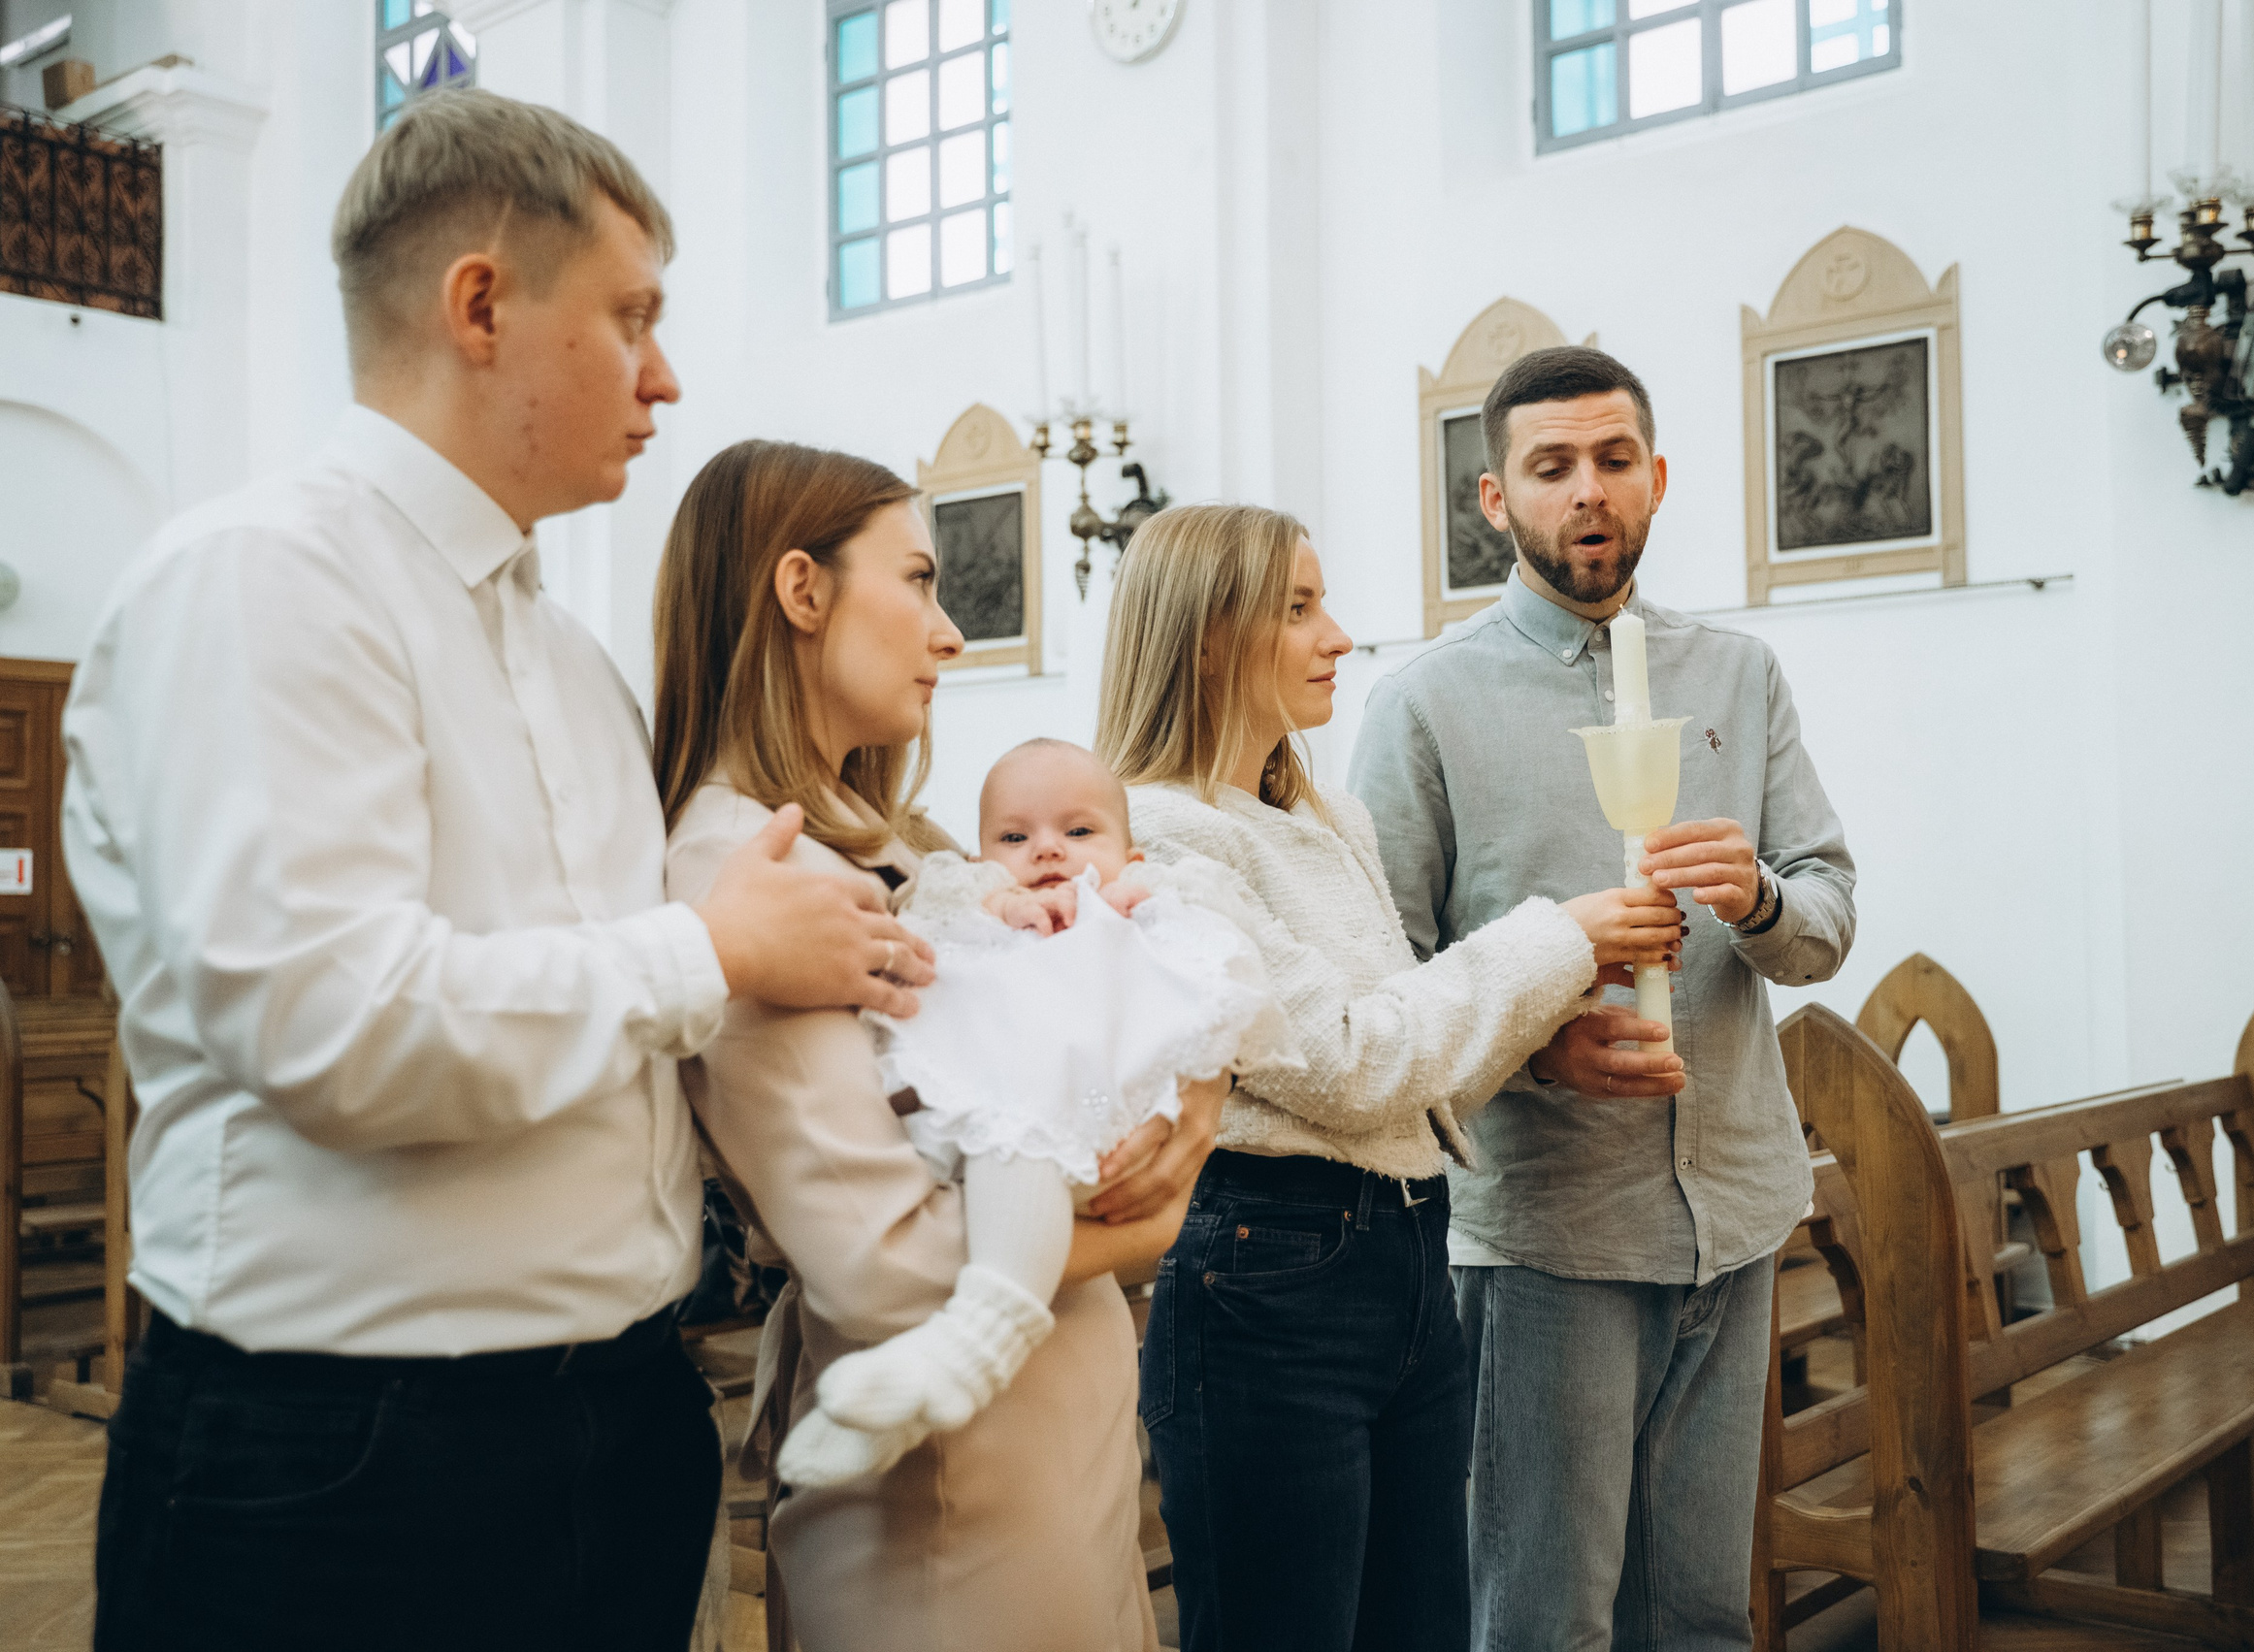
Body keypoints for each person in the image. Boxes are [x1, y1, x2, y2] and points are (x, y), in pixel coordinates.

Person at [62, 91, 932, 1652]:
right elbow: (336, 1026)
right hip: (352, 1455)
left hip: (608, 1412)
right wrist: (712, 955)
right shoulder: (263, 580)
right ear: (481, 303)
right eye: (630, 317)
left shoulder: (568, 656)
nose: (665, 376)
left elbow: (613, 1042)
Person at [655, 439, 1217, 1651]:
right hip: (946, 1506)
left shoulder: (887, 842)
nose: (952, 633)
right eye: (917, 579)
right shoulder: (745, 865)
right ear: (801, 593)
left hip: (1053, 1438)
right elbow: (891, 1264)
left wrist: (1188, 1103)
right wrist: (1159, 1214)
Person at [1094, 502, 1682, 1652]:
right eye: (1300, 608)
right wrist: (1558, 935)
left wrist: (1545, 1035)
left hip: (1405, 1247)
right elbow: (1350, 1058)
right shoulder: (1159, 838)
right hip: (1272, 1273)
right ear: (1209, 636)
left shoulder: (1327, 817)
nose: (1338, 637)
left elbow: (1405, 1055)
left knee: (1421, 1623)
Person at [1350, 345, 1857, 1651]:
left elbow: (1826, 920)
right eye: (1552, 466)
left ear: (1658, 477)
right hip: (1549, 1232)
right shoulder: (1424, 706)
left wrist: (1756, 898)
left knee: (1700, 1610)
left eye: (1614, 459)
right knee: (1544, 1617)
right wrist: (1535, 1054)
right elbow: (1383, 1000)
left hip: (1734, 1204)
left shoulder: (1737, 678)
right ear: (1492, 498)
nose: (1589, 491)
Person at [782, 738, 1293, 1487]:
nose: (1047, 850)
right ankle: (946, 1367)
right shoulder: (984, 905)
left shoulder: (1147, 901)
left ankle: (977, 1339)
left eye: (1079, 832)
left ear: (1132, 850)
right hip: (992, 1120)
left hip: (1100, 1125)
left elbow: (1234, 958)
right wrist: (997, 901)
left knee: (1021, 1132)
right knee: (1006, 1132)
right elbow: (936, 903)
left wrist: (1144, 900)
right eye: (1014, 837)